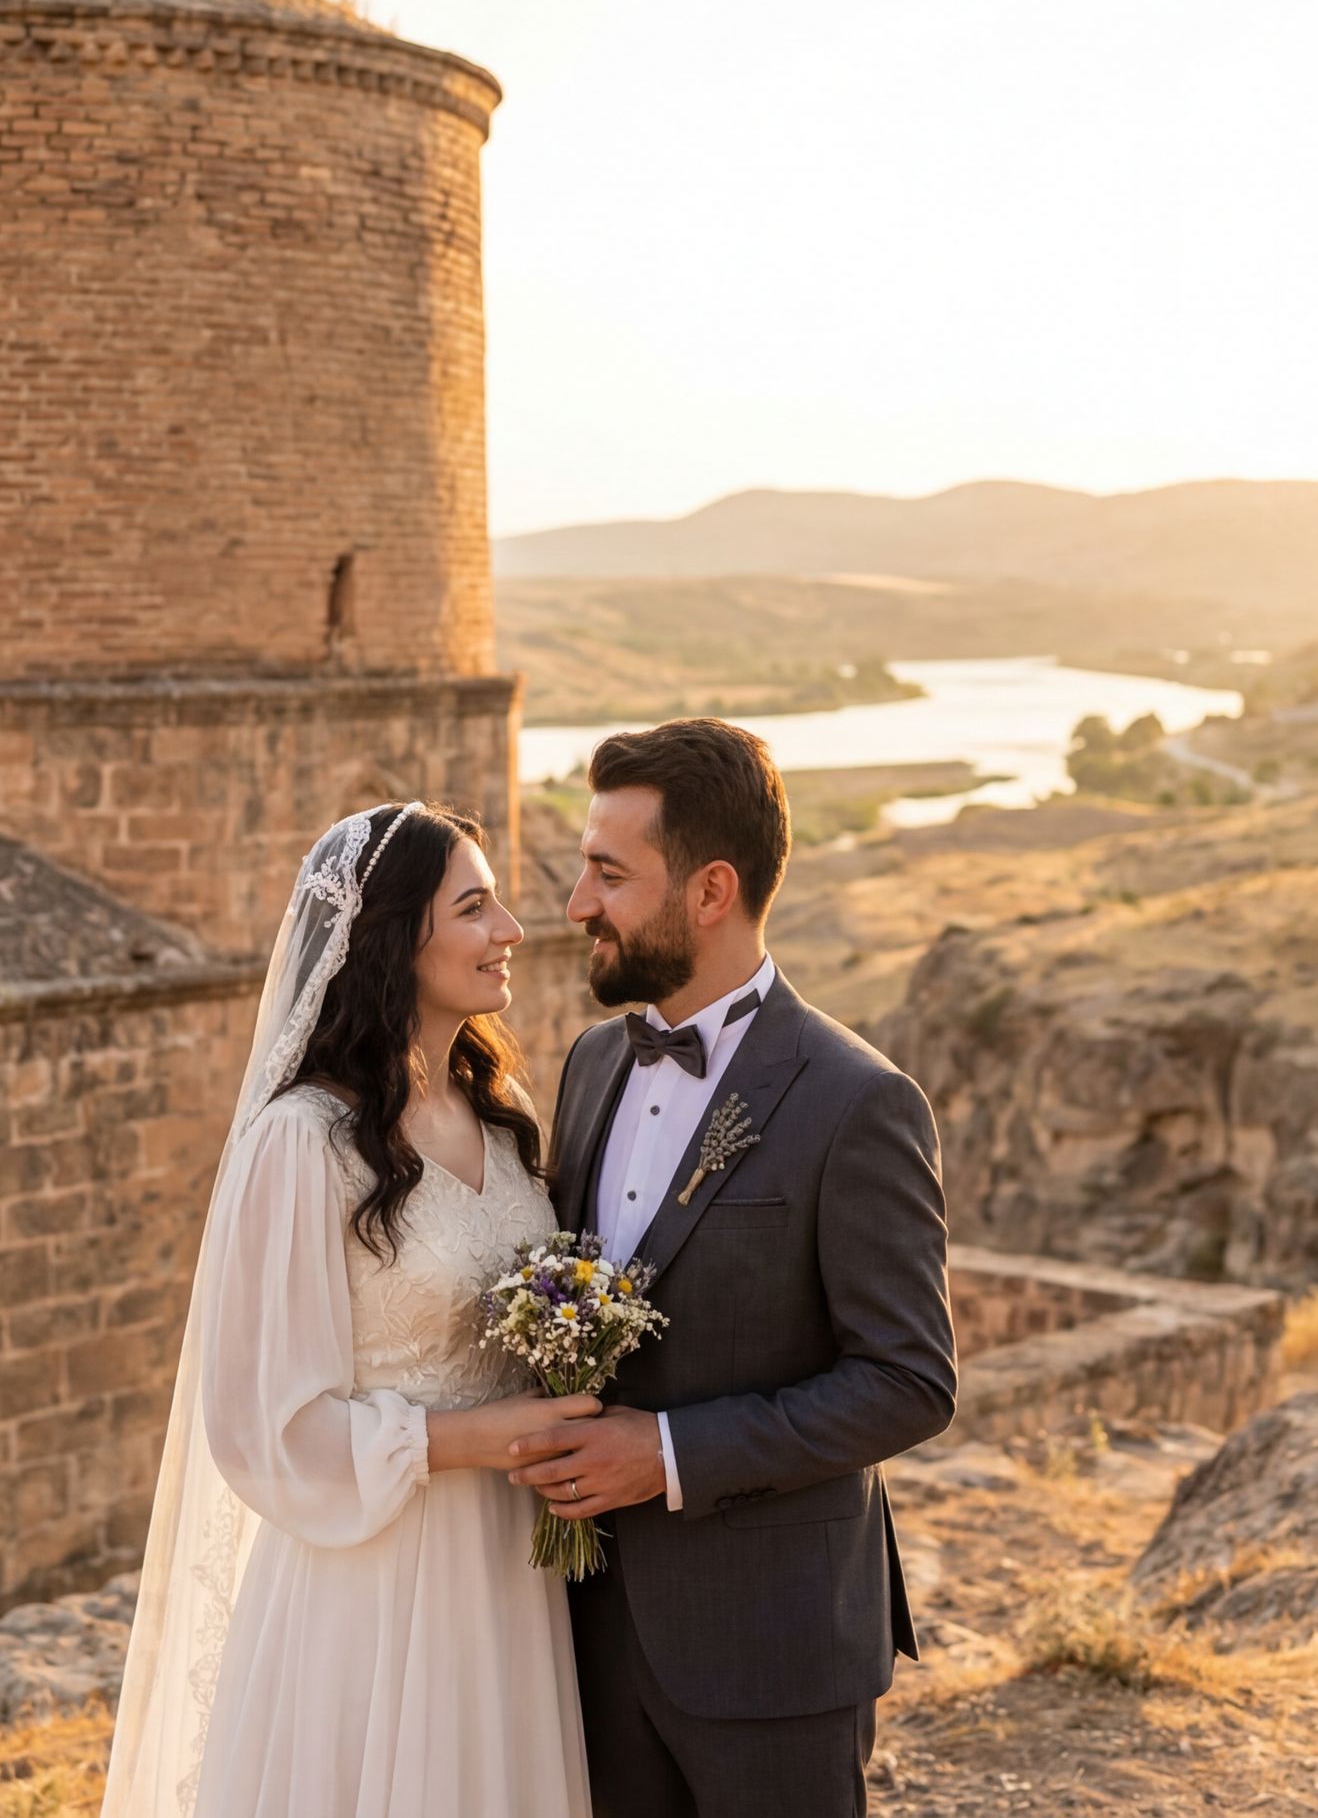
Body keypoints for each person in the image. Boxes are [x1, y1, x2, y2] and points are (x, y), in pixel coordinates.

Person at [102, 802, 599, 1818]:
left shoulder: (502, 1120)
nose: (511, 928)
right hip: (375, 1581)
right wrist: (473, 1441)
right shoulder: (301, 1143)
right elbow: (261, 1426)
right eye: (475, 906)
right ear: (392, 941)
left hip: (511, 1570)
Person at [509, 717, 957, 1818]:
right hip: (588, 1630)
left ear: (710, 892)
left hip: (775, 1651)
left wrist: (663, 1452)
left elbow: (908, 1381)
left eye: (609, 874)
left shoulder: (860, 1101)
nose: (576, 904)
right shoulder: (593, 1060)